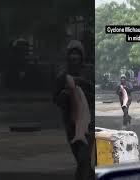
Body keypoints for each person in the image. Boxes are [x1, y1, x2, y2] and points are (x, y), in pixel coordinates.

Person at [53, 40, 95, 180]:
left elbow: (96, 92)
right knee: (81, 160)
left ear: (82, 56)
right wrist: (64, 95)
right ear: (68, 57)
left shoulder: (90, 72)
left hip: (88, 123)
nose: (74, 57)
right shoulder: (62, 76)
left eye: (77, 54)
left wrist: (80, 82)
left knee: (83, 158)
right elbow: (56, 100)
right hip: (71, 124)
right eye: (72, 54)